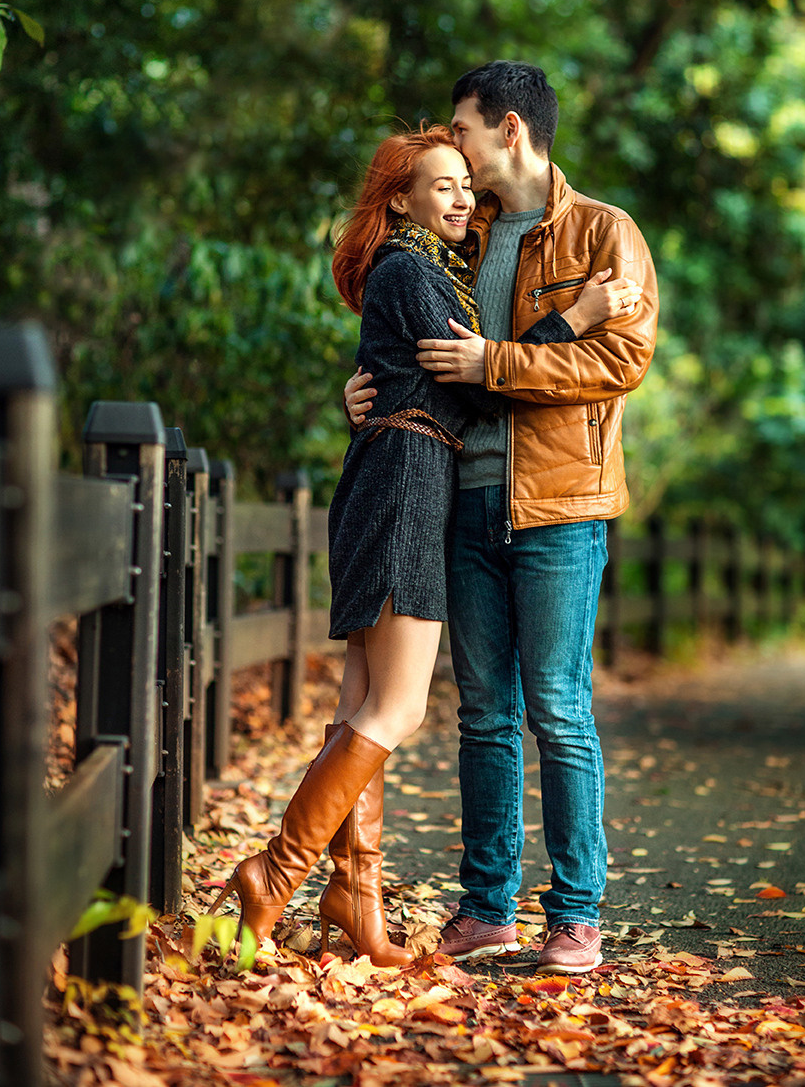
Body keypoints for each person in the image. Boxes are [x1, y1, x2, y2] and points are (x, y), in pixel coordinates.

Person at [209, 121, 635, 969]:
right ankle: (271, 877)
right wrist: (574, 316)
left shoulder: (428, 264)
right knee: (398, 709)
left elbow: (435, 369)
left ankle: (355, 898)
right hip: (409, 491)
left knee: (362, 698)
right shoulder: (412, 268)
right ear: (399, 199)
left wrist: (383, 386)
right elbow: (476, 390)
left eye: (462, 183)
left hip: (392, 479)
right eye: (441, 184)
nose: (462, 196)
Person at [344, 61, 658, 975]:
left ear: (509, 129)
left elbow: (621, 359)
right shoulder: (460, 235)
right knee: (483, 712)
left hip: (561, 504)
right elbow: (408, 341)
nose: (456, 145)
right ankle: (485, 909)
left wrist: (495, 365)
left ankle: (576, 913)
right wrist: (363, 392)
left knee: (558, 710)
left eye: (465, 128)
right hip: (461, 498)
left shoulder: (604, 234)